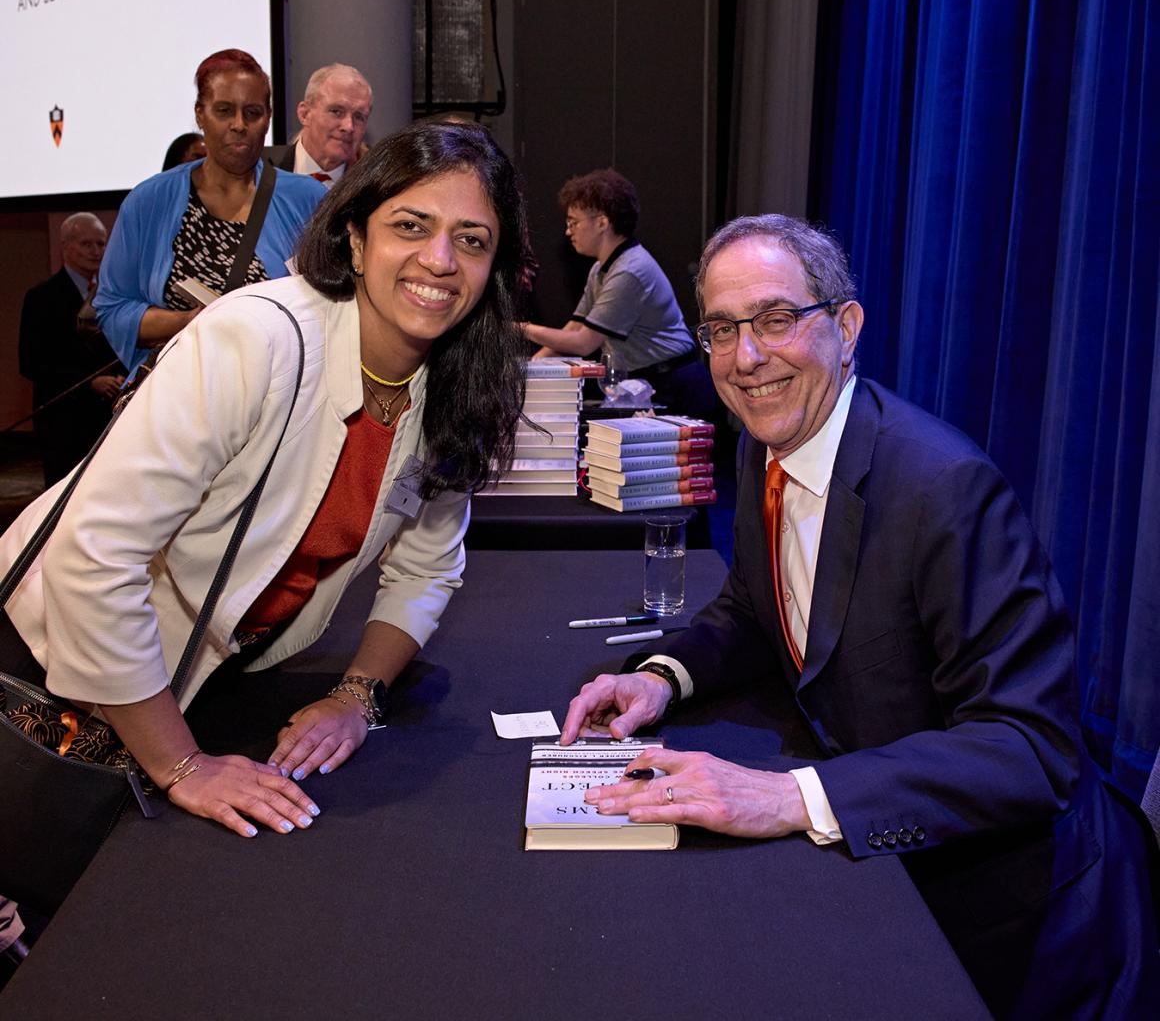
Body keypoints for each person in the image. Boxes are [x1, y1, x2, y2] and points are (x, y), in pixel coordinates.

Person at [560, 214, 1160, 1019]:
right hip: (891, 853)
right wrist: (665, 679)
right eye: (724, 330)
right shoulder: (763, 437)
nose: (746, 359)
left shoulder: (944, 490)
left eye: (777, 320)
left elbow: (1030, 748)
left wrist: (788, 797)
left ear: (846, 329)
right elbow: (755, 602)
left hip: (1018, 921)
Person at [0, 120, 531, 850]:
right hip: (50, 665)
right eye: (412, 225)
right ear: (354, 236)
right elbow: (94, 559)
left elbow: (427, 566)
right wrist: (181, 764)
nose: (440, 260)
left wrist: (354, 695)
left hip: (196, 681)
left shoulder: (453, 386)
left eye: (471, 239)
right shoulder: (256, 339)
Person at [94, 49, 325, 375]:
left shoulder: (308, 201)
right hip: (175, 396)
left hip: (274, 399)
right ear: (200, 114)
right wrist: (189, 322)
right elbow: (113, 308)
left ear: (269, 117)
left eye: (253, 112)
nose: (239, 125)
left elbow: (333, 307)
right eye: (224, 111)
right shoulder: (150, 201)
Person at [520, 169, 715, 419]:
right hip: (646, 380)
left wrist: (522, 329)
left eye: (573, 222)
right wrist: (532, 367)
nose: (568, 231)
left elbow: (583, 342)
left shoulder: (629, 271)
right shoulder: (601, 268)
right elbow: (573, 328)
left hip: (675, 384)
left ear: (602, 222)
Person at [18, 213, 125, 485]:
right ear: (66, 246)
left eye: (101, 244)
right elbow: (31, 362)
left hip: (107, 420)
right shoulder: (42, 297)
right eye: (87, 244)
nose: (96, 251)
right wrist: (89, 383)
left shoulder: (113, 294)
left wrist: (126, 375)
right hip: (64, 424)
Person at [267, 63, 374, 187]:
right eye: (336, 111)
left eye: (358, 117)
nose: (349, 126)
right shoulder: (259, 170)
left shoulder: (376, 186)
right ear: (305, 114)